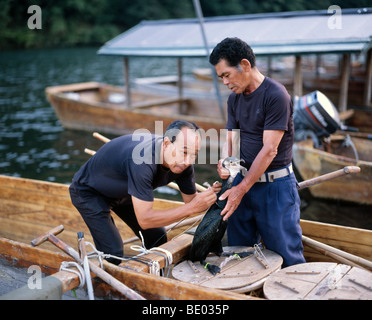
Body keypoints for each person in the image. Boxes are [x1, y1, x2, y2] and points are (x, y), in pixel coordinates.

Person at [209, 37, 305, 267]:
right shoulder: (234, 99)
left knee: (285, 254)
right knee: (237, 254)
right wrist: (225, 160)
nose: (224, 82)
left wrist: (240, 189)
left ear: (244, 64)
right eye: (220, 77)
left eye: (226, 75)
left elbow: (270, 150)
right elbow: (230, 136)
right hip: (242, 182)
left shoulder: (276, 95)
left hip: (275, 189)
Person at [69, 120, 217, 265]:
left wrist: (213, 195)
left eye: (193, 154)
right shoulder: (143, 160)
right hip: (90, 192)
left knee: (157, 237)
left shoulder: (184, 165)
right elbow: (145, 220)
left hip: (124, 192)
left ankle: (154, 279)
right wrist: (192, 207)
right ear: (166, 144)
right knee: (112, 252)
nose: (187, 161)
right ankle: (101, 285)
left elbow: (192, 202)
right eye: (183, 152)